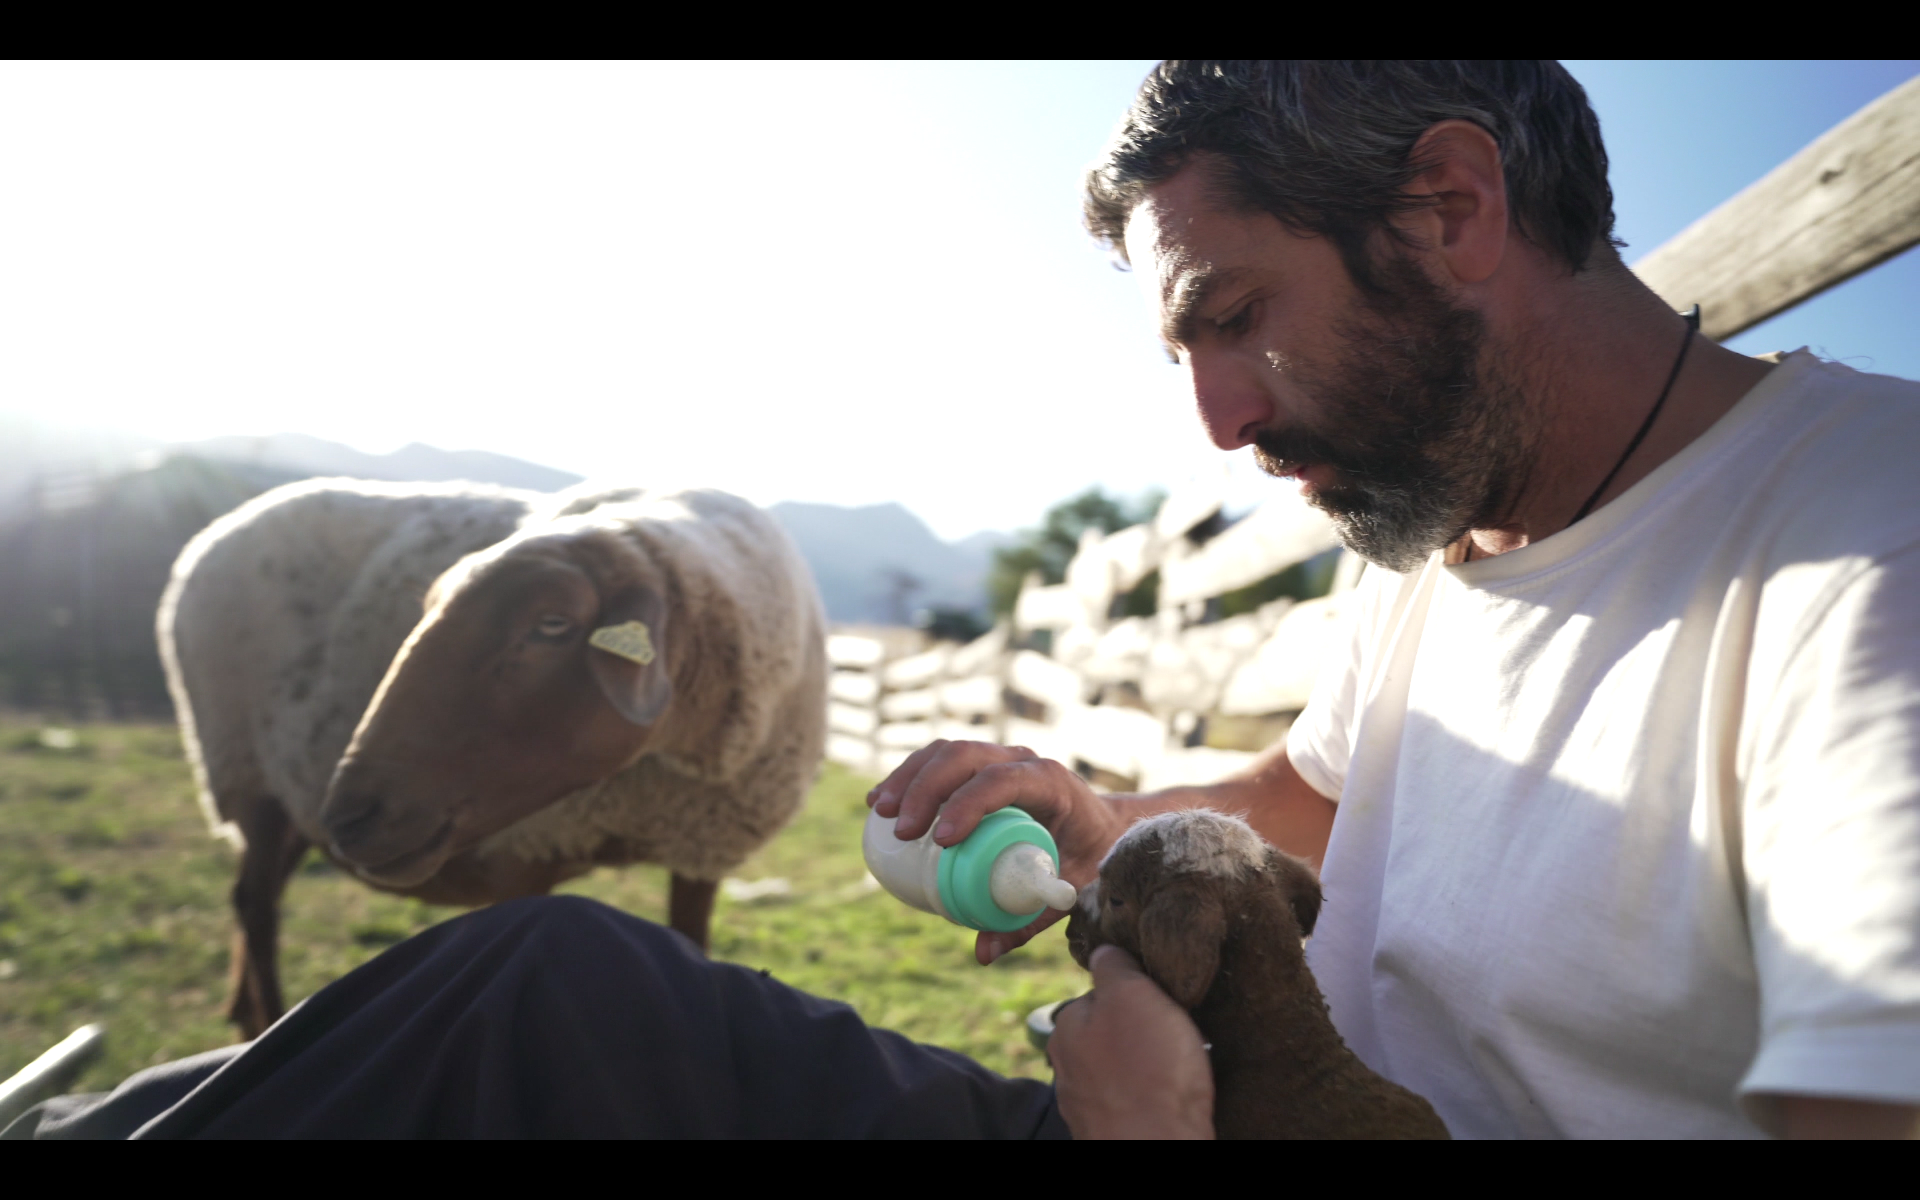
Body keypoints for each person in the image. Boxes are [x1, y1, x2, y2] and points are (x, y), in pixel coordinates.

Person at [12, 60, 1916, 1140]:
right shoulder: (1456, 533)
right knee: (555, 989)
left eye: (1231, 320)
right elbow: (1333, 807)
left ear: (1448, 206)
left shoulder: (1867, 559)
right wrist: (1101, 815)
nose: (1223, 422)